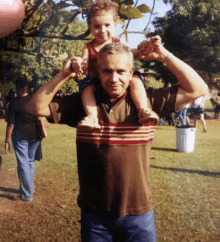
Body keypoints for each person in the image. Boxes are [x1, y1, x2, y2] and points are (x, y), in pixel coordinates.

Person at [26, 36, 208, 242]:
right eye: (107, 71)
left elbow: (198, 89)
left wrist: (164, 56)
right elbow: (35, 108)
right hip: (95, 216)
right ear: (98, 72)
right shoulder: (83, 106)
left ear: (131, 72)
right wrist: (64, 74)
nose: (114, 79)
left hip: (139, 214)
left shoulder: (148, 102)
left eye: (121, 71)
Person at [71, 0, 158, 129]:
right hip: (96, 79)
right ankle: (92, 117)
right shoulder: (88, 46)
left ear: (115, 25)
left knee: (135, 79)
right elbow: (84, 62)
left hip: (118, 78)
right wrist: (78, 64)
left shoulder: (119, 43)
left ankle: (143, 110)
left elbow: (135, 53)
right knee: (87, 88)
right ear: (90, 28)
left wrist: (147, 48)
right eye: (97, 26)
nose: (102, 30)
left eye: (107, 25)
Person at [5, 78, 42, 201]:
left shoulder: (14, 103)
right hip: (35, 135)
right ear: (26, 87)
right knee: (30, 162)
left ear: (18, 88)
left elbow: (11, 124)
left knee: (23, 164)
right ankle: (29, 187)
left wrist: (7, 140)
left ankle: (26, 194)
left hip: (21, 135)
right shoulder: (34, 99)